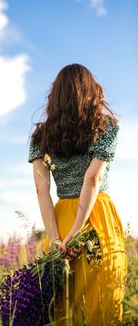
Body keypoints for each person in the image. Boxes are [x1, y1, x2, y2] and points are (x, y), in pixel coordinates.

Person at [28, 63, 127, 325]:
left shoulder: (39, 137)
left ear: (55, 97)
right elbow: (92, 179)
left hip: (59, 220)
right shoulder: (106, 127)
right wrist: (75, 235)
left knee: (63, 306)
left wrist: (58, 239)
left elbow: (41, 189)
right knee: (102, 303)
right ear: (91, 91)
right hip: (97, 217)